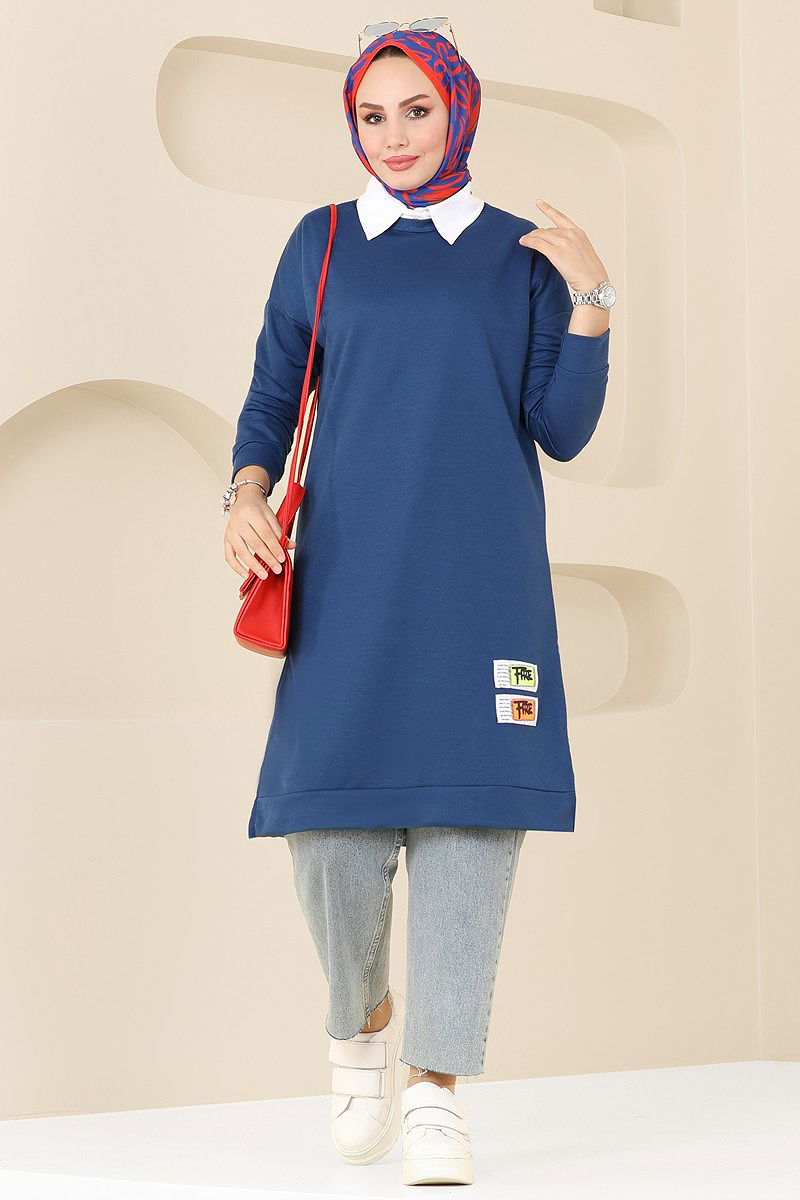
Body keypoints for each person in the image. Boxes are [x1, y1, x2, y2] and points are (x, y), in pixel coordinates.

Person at [223, 22, 613, 1188]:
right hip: (346, 584)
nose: (393, 137)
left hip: (480, 590)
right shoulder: (322, 241)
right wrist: (245, 494)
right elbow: (270, 390)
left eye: (416, 111)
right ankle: (363, 1022)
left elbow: (561, 429)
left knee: (468, 831)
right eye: (371, 115)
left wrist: (590, 299)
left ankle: (437, 1089)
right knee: (328, 833)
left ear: (459, 111)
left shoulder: (518, 256)